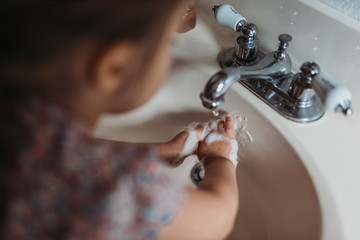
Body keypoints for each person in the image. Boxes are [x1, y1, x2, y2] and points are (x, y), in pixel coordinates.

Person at [0, 1, 239, 239]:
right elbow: (218, 218)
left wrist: (166, 151)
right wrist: (219, 158)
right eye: (167, 42)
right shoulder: (120, 185)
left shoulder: (17, 123)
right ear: (116, 68)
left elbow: (77, 157)